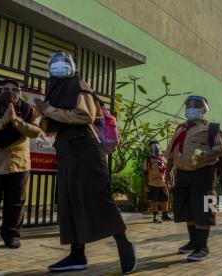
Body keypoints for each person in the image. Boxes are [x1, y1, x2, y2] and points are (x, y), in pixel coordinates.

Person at [33, 51, 136, 273]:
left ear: (72, 66)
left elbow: (84, 116)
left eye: (64, 63)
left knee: (96, 198)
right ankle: (76, 254)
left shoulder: (78, 85)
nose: (59, 66)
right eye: (55, 63)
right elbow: (54, 125)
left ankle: (123, 242)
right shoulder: (54, 89)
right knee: (69, 202)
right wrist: (42, 116)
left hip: (85, 148)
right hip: (67, 149)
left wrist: (49, 110)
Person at [0, 79, 42, 253]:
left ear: (19, 92)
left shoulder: (28, 110)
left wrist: (16, 120)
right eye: (5, 89)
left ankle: (12, 236)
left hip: (19, 164)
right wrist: (2, 122)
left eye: (13, 89)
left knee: (16, 202)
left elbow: (36, 131)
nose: (10, 92)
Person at [165, 95, 222, 262]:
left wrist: (206, 155)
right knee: (188, 209)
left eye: (194, 107)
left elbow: (221, 149)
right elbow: (171, 150)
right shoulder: (181, 128)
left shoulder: (211, 128)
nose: (190, 110)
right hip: (182, 174)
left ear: (203, 110)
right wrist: (168, 170)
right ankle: (193, 242)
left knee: (202, 209)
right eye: (188, 107)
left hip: (202, 173)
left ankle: (202, 247)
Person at [143, 140, 172, 223]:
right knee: (154, 199)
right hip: (153, 182)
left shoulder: (163, 158)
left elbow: (168, 169)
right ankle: (155, 215)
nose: (155, 147)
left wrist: (169, 180)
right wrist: (147, 183)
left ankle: (165, 214)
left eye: (156, 145)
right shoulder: (148, 159)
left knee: (165, 198)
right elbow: (145, 170)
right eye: (153, 146)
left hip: (163, 182)